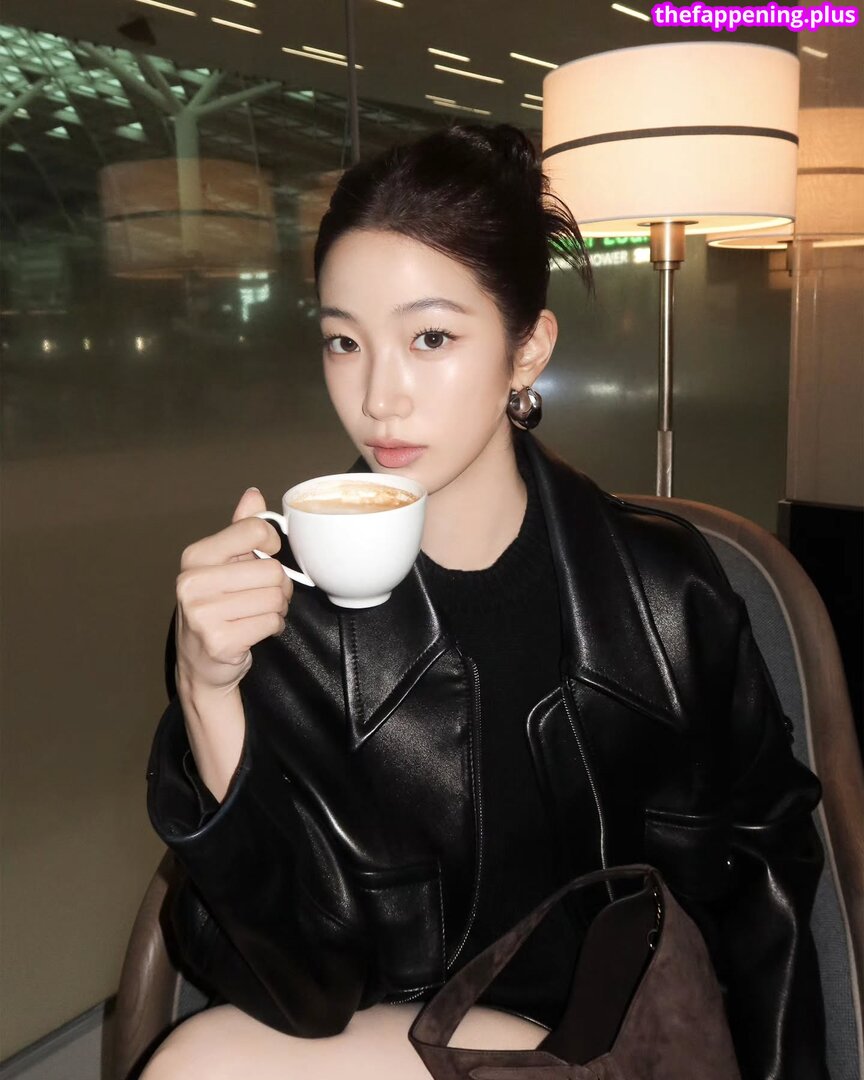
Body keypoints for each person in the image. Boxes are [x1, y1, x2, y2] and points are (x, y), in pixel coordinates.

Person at [142, 123, 827, 1079]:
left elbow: (770, 904)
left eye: (430, 337)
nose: (379, 396)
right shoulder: (282, 616)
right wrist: (207, 695)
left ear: (526, 349)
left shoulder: (667, 596)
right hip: (402, 1046)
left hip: (632, 1046)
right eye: (344, 341)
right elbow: (304, 995)